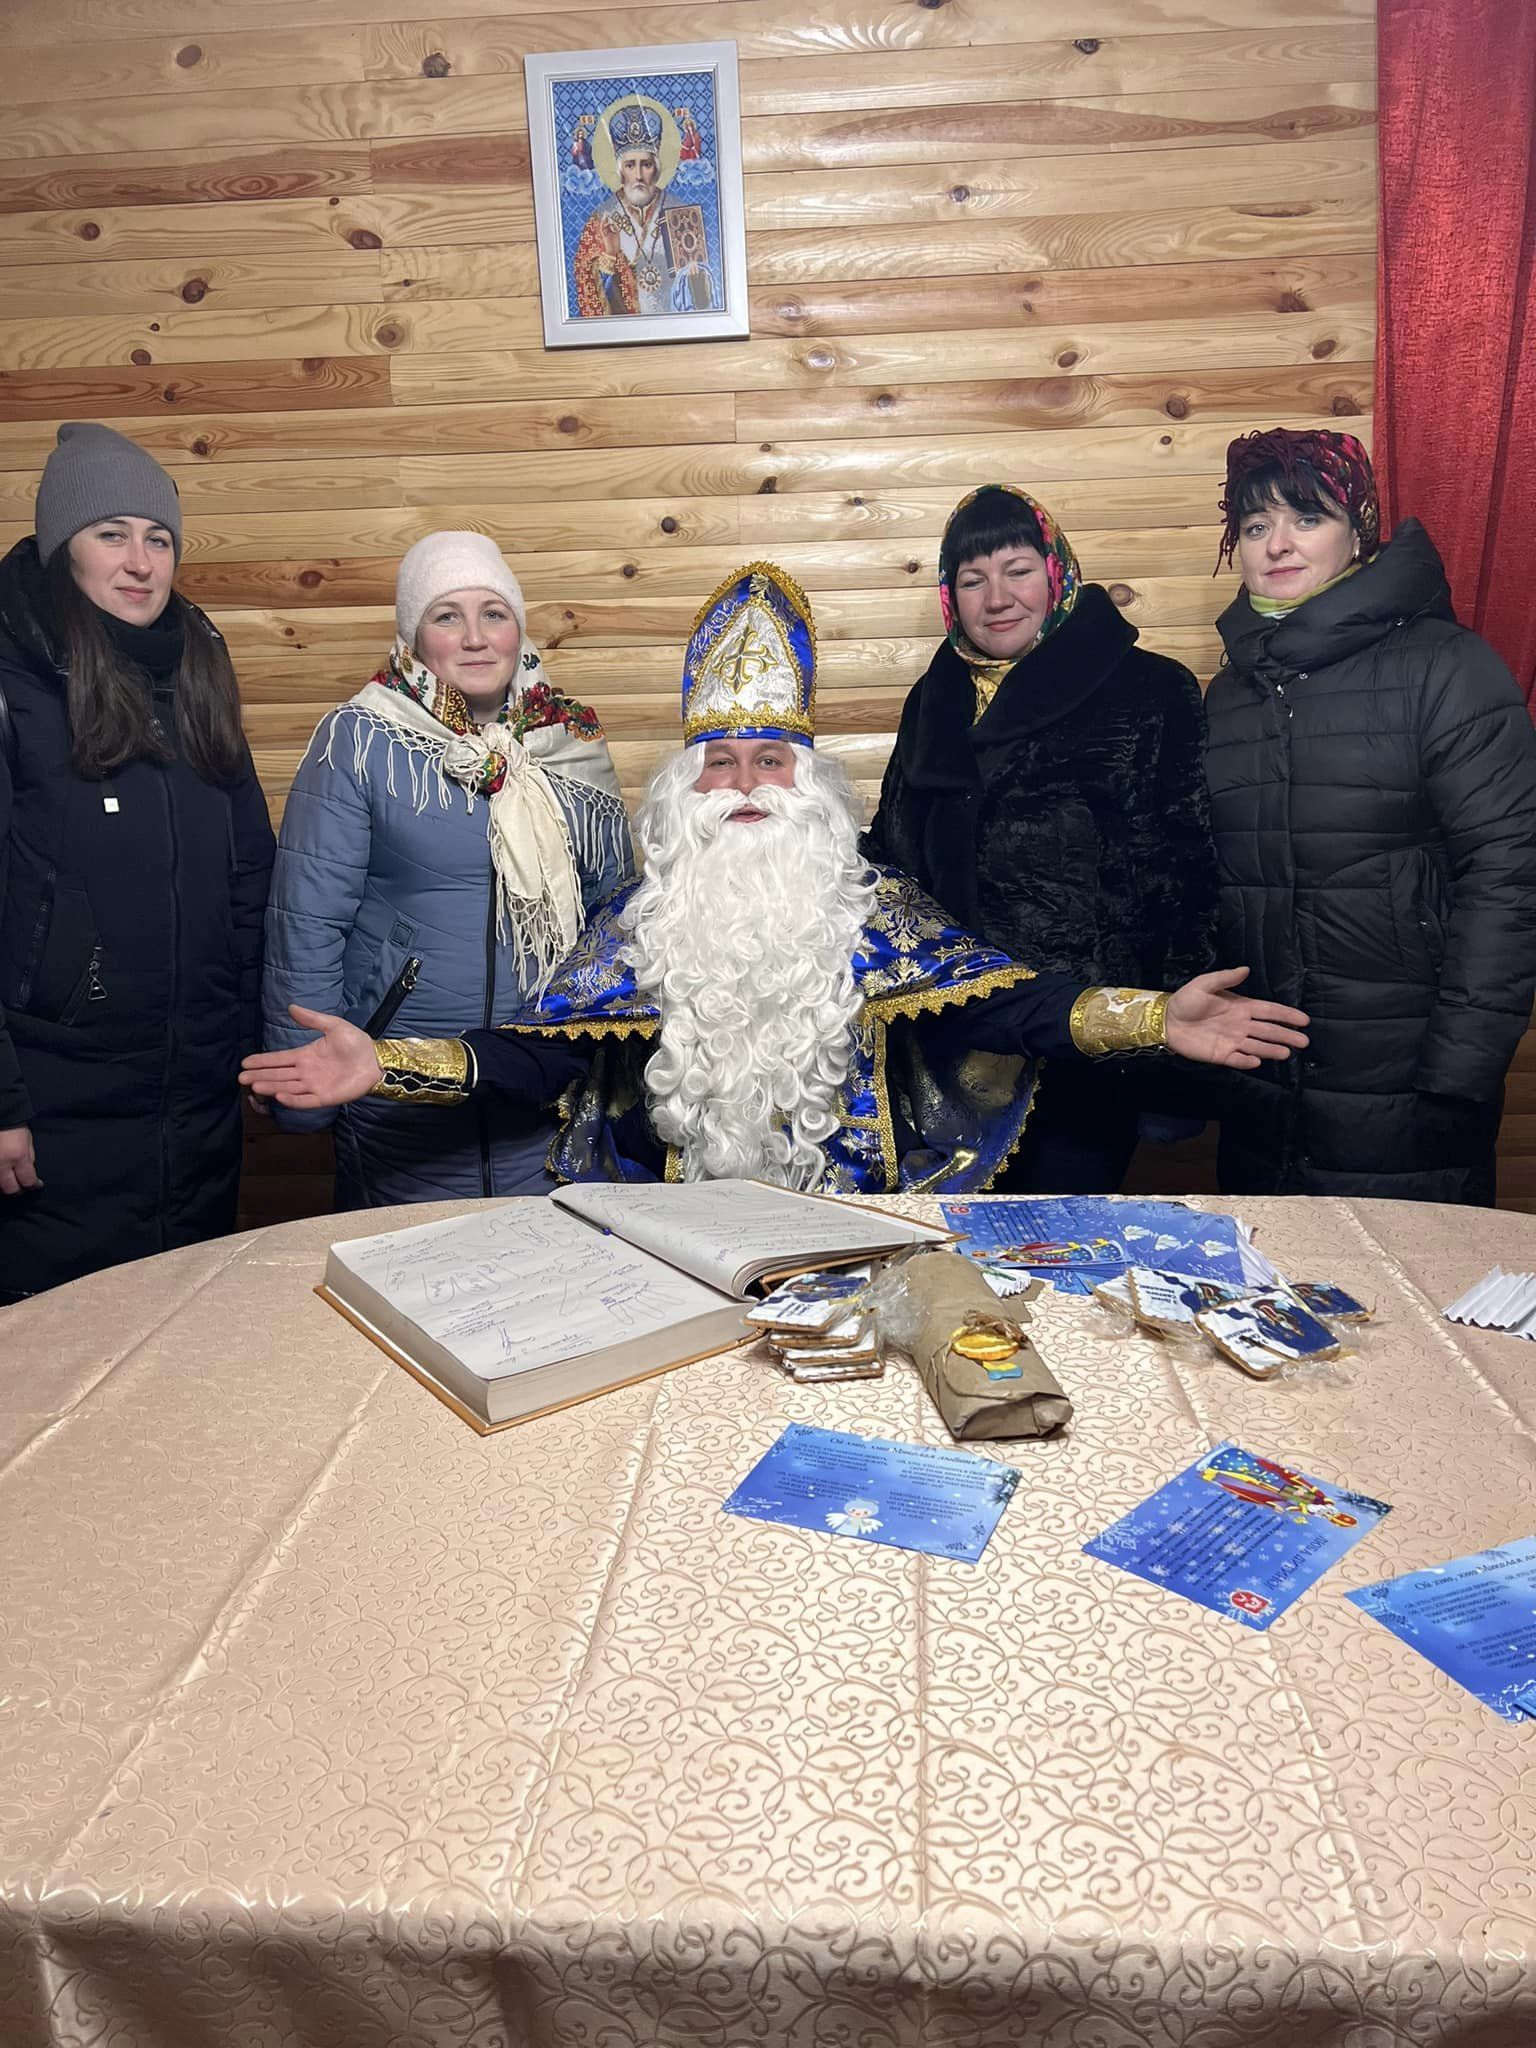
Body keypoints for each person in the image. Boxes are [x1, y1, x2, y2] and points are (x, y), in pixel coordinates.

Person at [244, 563, 1307, 1194]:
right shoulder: (639, 925)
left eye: (770, 760)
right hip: (676, 1246)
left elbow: (1012, 1009)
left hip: (853, 1238)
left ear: (809, 790)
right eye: (721, 760)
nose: (746, 782)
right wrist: (385, 1064)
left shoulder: (871, 907)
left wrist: (1152, 1019)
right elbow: (528, 1062)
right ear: (683, 793)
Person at [1204, 426, 1536, 1204]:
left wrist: (1462, 1068)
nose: (1278, 544)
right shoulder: (1231, 693)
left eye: (1307, 517)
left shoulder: (1446, 666)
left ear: (1359, 530)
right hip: (1263, 1083)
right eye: (1256, 527)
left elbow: (1511, 871)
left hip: (1411, 1081)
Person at [862, 484, 1218, 1192]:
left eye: (1017, 569)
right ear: (950, 594)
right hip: (946, 1048)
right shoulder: (933, 700)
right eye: (973, 578)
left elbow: (1184, 878)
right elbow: (895, 858)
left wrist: (1168, 1077)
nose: (997, 597)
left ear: (1056, 572)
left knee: (1053, 1264)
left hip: (1084, 1062)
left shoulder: (1148, 691)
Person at [260, 531, 631, 1208]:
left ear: (517, 628)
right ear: (413, 637)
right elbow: (306, 924)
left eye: (494, 612)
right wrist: (304, 1090)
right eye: (446, 615)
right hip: (393, 1096)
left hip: (540, 1094)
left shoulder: (572, 740)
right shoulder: (361, 738)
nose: (475, 637)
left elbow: (612, 925)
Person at [0, 421, 275, 1302]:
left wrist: (259, 1043)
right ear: (61, 549)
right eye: (110, 534)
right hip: (53, 1106)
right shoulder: (15, 686)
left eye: (158, 539)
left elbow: (248, 876)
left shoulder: (200, 661)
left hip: (194, 1101)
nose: (139, 562)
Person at [571, 96, 713, 317]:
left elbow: (703, 302)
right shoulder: (602, 219)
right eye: (630, 165)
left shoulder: (680, 213)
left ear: (656, 169)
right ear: (620, 171)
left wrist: (694, 274)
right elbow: (586, 284)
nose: (638, 175)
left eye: (645, 165)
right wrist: (609, 254)